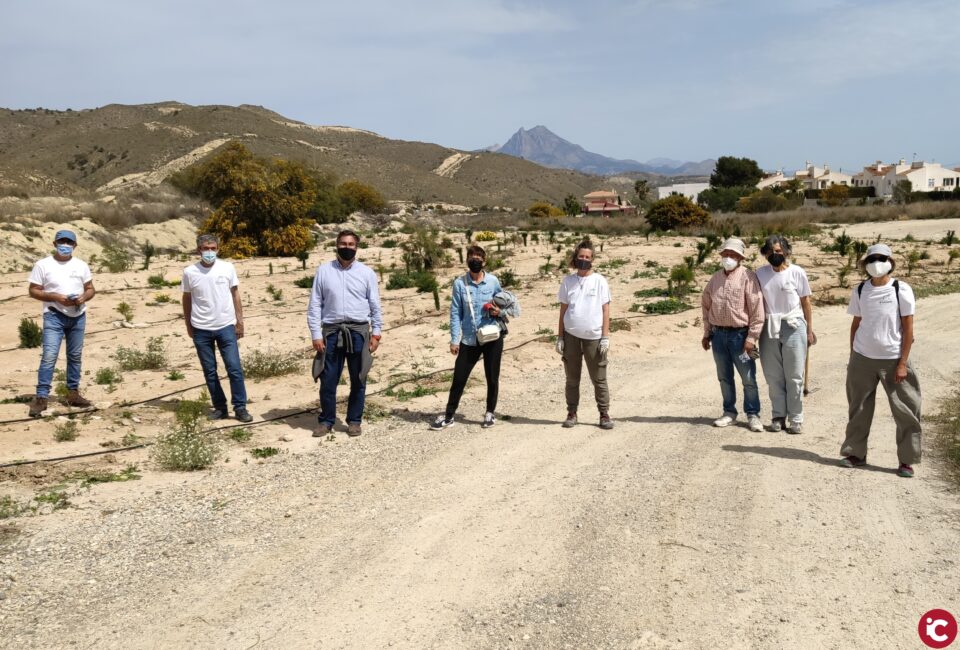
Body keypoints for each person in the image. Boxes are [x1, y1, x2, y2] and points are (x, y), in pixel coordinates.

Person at [839, 243, 921, 478]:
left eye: (881, 258)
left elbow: (908, 329)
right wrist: (853, 354)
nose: (876, 263)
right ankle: (855, 453)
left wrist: (903, 363)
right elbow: (856, 323)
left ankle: (907, 460)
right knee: (859, 409)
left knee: (906, 410)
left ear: (890, 262)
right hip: (862, 358)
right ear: (865, 263)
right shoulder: (860, 290)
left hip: (893, 359)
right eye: (872, 258)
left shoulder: (900, 289)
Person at [431, 245, 518, 430]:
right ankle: (449, 415)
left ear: (484, 260)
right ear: (467, 260)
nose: (475, 260)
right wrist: (454, 339)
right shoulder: (460, 284)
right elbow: (455, 313)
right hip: (470, 339)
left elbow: (505, 304)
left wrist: (498, 311)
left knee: (492, 376)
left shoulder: (493, 281)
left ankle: (490, 413)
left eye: (479, 257)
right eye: (472, 257)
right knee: (459, 377)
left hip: (492, 335)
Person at [308, 230, 383, 437]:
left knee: (359, 378)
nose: (347, 247)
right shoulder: (323, 271)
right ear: (336, 245)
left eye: (351, 244)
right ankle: (326, 421)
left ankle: (354, 420)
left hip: (359, 332)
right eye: (343, 243)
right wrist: (316, 334)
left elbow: (375, 305)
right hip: (331, 333)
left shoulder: (366, 273)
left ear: (356, 247)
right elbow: (315, 305)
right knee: (328, 379)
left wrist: (376, 333)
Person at [181, 234, 252, 423]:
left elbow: (235, 294)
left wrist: (240, 321)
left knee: (234, 368)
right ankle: (220, 407)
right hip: (201, 328)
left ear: (218, 249)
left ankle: (240, 407)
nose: (210, 252)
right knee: (210, 370)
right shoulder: (189, 272)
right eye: (206, 248)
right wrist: (188, 324)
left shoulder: (227, 268)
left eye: (213, 248)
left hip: (226, 326)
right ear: (199, 250)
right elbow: (187, 299)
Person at [27, 229, 96, 417]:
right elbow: (33, 290)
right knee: (49, 355)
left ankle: (72, 393)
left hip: (78, 315)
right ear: (54, 244)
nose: (65, 245)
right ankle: (41, 397)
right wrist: (54, 297)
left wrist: (83, 298)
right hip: (53, 315)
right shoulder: (43, 265)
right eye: (61, 242)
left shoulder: (81, 265)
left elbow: (90, 289)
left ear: (74, 245)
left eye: (69, 242)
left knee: (75, 355)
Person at [701, 238, 765, 432]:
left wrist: (751, 338)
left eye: (732, 255)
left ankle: (753, 414)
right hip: (718, 336)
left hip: (740, 335)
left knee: (748, 378)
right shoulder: (715, 279)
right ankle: (729, 412)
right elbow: (706, 305)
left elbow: (757, 309)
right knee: (724, 377)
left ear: (740, 258)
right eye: (725, 254)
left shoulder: (748, 277)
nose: (728, 258)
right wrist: (707, 333)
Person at [756, 235, 814, 434]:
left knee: (795, 376)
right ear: (765, 254)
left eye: (779, 251)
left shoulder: (797, 272)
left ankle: (796, 418)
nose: (775, 255)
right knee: (773, 376)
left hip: (794, 325)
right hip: (769, 327)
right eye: (771, 252)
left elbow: (806, 303)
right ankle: (778, 415)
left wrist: (809, 330)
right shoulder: (760, 273)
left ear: (787, 252)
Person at [556, 240, 613, 429]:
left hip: (594, 338)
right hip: (571, 336)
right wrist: (560, 337)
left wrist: (605, 337)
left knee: (599, 378)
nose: (584, 260)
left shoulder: (599, 281)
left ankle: (604, 414)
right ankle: (572, 413)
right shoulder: (568, 281)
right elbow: (563, 310)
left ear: (592, 259)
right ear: (575, 257)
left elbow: (606, 310)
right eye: (581, 256)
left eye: (587, 257)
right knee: (572, 378)